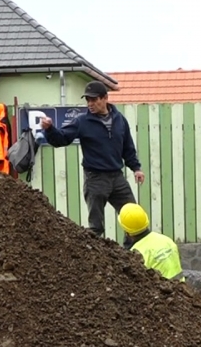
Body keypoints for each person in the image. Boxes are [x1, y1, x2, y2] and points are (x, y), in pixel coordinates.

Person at [40, 81, 145, 237]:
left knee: (134, 219)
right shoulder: (82, 121)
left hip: (117, 178)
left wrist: (136, 168)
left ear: (105, 98)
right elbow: (61, 139)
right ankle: (96, 259)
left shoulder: (119, 120)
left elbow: (127, 147)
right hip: (95, 178)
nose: (90, 103)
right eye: (88, 100)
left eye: (94, 99)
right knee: (96, 228)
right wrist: (49, 129)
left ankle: (131, 255)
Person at [118, 203, 184, 281]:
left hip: (161, 292)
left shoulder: (135, 255)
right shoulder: (167, 240)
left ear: (126, 230)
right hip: (182, 290)